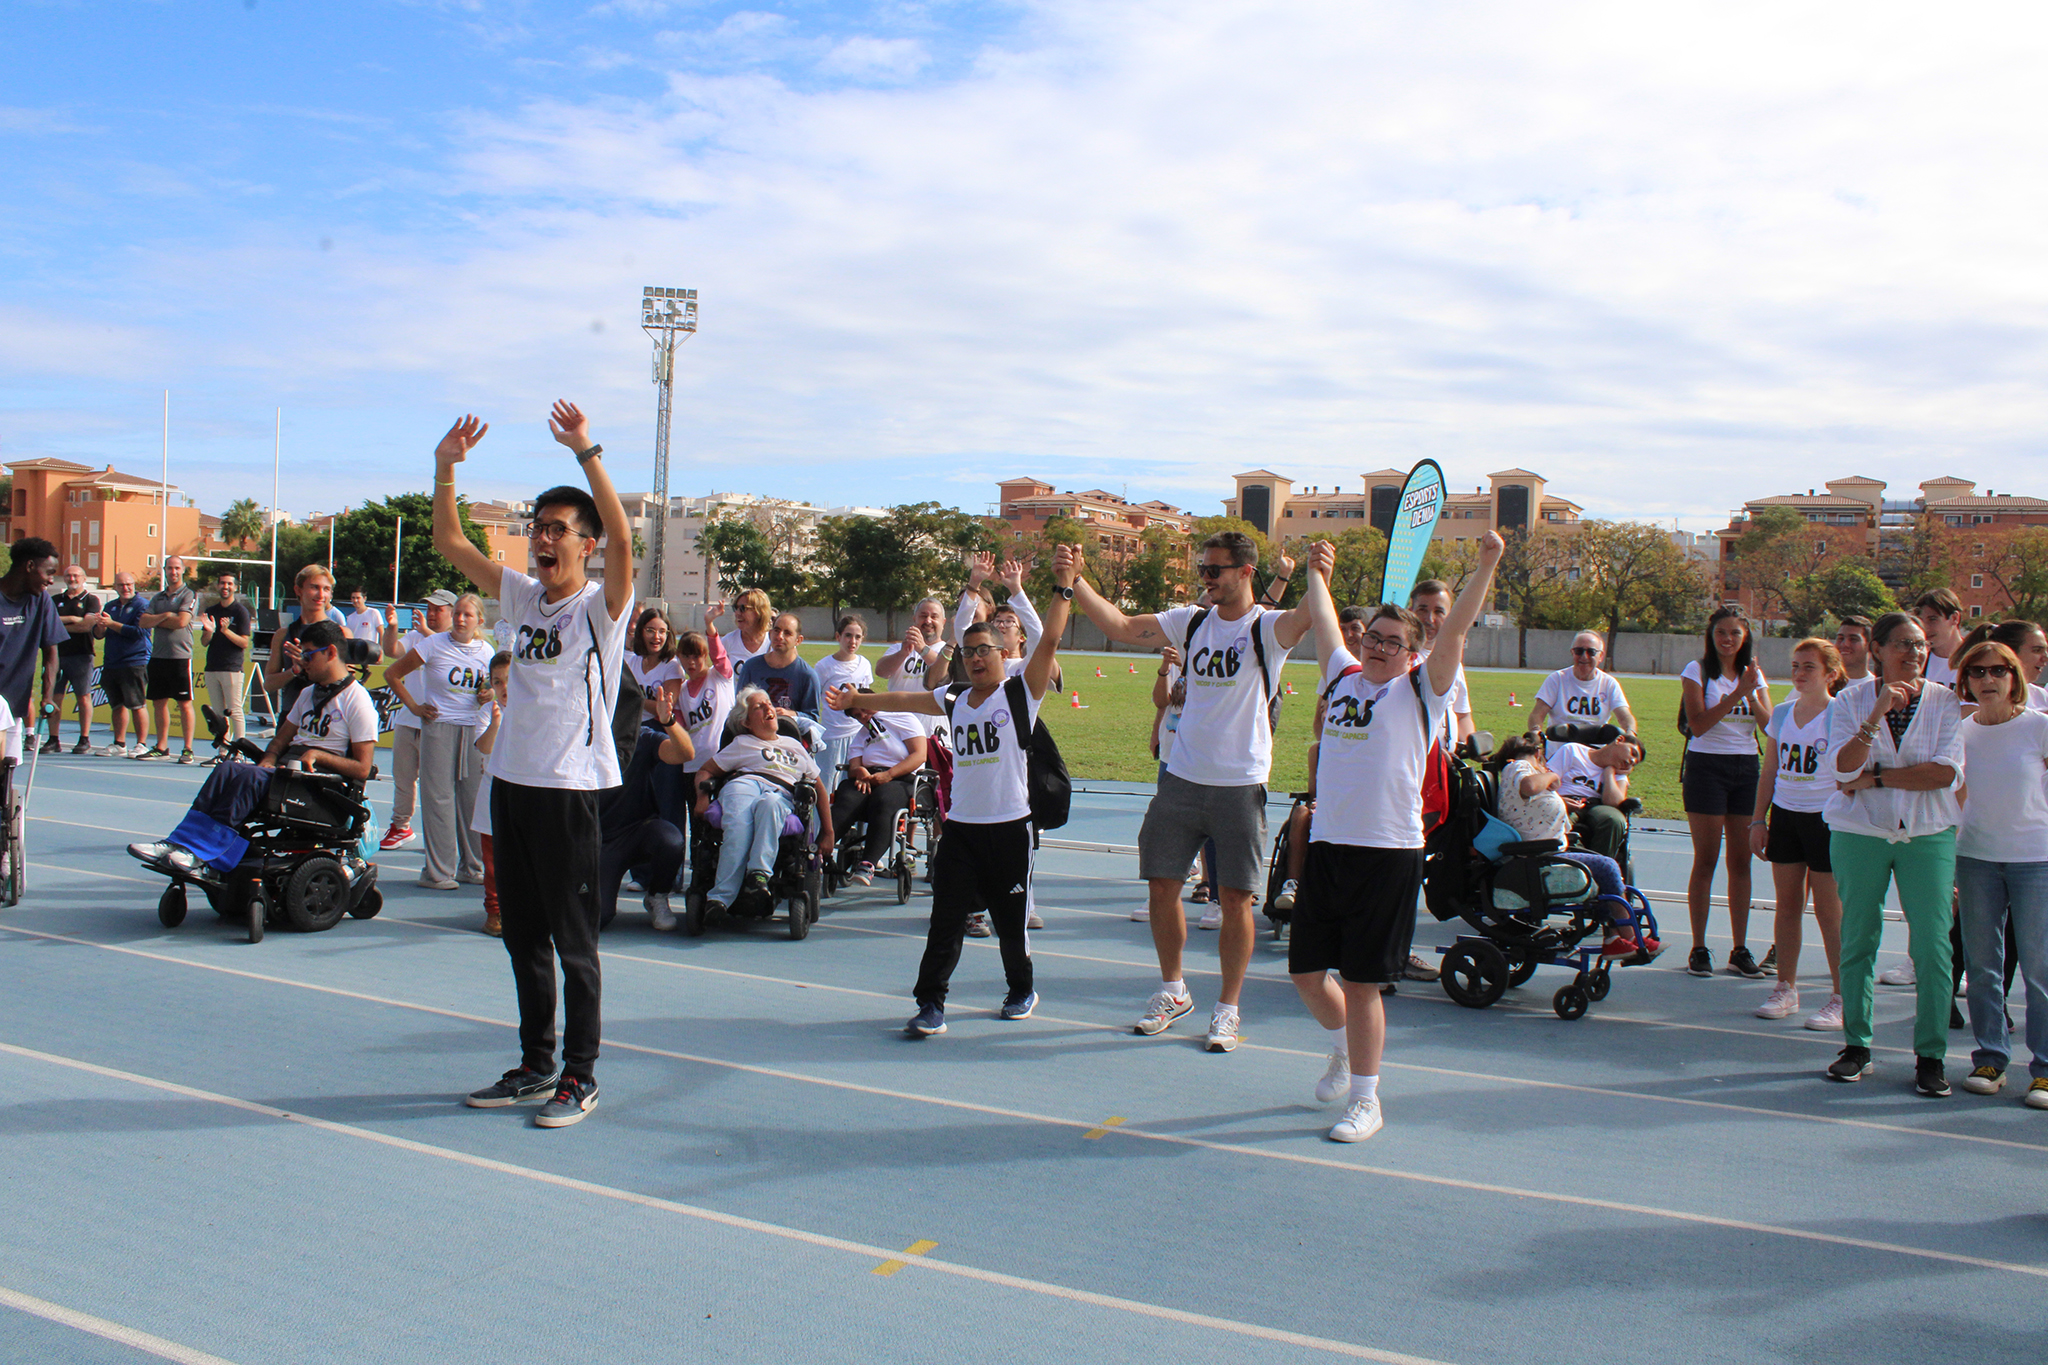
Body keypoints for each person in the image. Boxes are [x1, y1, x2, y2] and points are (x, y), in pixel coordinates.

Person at [437, 402, 635, 1131]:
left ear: (582, 546)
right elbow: (449, 540)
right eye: (536, 528)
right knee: (522, 936)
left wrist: (586, 450)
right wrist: (446, 467)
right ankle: (534, 1063)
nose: (541, 539)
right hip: (510, 788)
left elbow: (621, 533)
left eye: (556, 530)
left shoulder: (600, 606)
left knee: (572, 941)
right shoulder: (521, 596)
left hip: (567, 789)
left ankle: (579, 1075)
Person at [1069, 529, 1314, 1053]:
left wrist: (1320, 574)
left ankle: (1227, 1007)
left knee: (1234, 900)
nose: (1205, 578)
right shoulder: (1191, 620)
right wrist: (1077, 583)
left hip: (1239, 781)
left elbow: (1306, 617)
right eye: (1203, 569)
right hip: (1181, 778)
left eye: (1215, 570)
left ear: (1245, 572)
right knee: (1162, 885)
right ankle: (1173, 988)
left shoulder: (1266, 629)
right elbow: (1121, 625)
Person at [1290, 533, 1501, 1142]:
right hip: (1330, 846)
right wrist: (1316, 574)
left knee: (1360, 983)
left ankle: (1366, 1100)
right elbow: (1326, 622)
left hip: (1389, 854)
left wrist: (1485, 564)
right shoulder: (1342, 678)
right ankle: (1342, 1051)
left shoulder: (1419, 693)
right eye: (1373, 638)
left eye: (1393, 642)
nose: (1378, 647)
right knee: (1306, 972)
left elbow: (1454, 634)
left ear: (1413, 653)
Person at [827, 545, 1074, 1035]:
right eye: (970, 651)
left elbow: (1049, 641)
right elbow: (906, 695)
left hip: (1009, 828)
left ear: (1005, 655)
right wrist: (861, 699)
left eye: (987, 650)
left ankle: (1021, 988)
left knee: (1009, 922)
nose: (978, 658)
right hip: (961, 829)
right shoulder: (955, 697)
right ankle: (930, 1003)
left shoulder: (1021, 693)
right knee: (945, 920)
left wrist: (1061, 586)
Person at [1823, 611, 1963, 1095]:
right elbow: (1842, 772)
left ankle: (1931, 1055)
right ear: (1878, 650)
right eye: (1903, 644)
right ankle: (1857, 1045)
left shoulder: (1945, 702)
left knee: (1933, 945)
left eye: (1921, 645)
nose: (1914, 653)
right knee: (1859, 938)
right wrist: (1875, 714)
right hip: (1860, 832)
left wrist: (1876, 778)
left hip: (1927, 834)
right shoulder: (1850, 700)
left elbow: (1943, 773)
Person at [127, 619, 377, 879]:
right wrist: (269, 757)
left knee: (249, 777)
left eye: (308, 655)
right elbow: (281, 740)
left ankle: (202, 853)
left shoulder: (356, 700)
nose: (302, 661)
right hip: (287, 773)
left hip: (318, 785)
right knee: (227, 770)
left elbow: (363, 768)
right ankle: (179, 842)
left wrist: (317, 754)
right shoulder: (307, 693)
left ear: (331, 653)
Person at [1950, 639, 2048, 1108]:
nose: (1988, 680)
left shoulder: (2040, 729)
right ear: (1965, 680)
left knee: (2039, 967)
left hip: (2035, 859)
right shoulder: (1960, 733)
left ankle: (2045, 1068)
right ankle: (1990, 1056)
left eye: (1998, 671)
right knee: (1983, 966)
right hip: (1976, 860)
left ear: (2014, 678)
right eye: (1978, 671)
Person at [1749, 638, 1847, 1028]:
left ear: (1831, 673)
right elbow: (1769, 770)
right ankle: (1785, 986)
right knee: (1787, 905)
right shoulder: (1784, 713)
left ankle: (1841, 995)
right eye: (1795, 666)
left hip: (1824, 820)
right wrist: (1759, 820)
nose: (1800, 673)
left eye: (1809, 666)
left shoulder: (1840, 714)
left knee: (1829, 911)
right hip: (1787, 818)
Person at [1491, 734, 1650, 956]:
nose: (1542, 764)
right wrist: (1553, 776)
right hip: (1539, 852)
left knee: (1606, 863)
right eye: (1540, 760)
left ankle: (1618, 937)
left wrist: (1608, 772)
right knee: (1607, 867)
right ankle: (1626, 938)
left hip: (1550, 845)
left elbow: (1533, 791)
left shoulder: (1522, 771)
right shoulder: (1519, 767)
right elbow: (1529, 786)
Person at [1680, 606, 1773, 979]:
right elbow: (1698, 725)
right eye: (1721, 632)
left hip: (1745, 769)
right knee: (1706, 859)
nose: (1728, 639)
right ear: (1711, 634)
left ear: (1745, 637)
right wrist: (1737, 693)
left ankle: (1740, 948)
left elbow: (1769, 727)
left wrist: (1752, 694)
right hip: (1707, 768)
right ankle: (1699, 947)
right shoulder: (1697, 670)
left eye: (1735, 633)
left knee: (1741, 861)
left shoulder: (1754, 675)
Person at [386, 592, 496, 890]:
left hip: (473, 731)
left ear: (479, 621)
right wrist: (415, 707)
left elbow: (492, 686)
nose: (460, 619)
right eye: (457, 613)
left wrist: (489, 693)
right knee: (439, 799)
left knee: (472, 799)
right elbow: (392, 674)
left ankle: (472, 867)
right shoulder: (433, 644)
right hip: (439, 727)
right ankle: (438, 871)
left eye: (467, 615)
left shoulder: (486, 651)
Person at [693, 686, 833, 917]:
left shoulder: (795, 746)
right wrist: (702, 797)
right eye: (759, 706)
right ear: (747, 722)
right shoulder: (741, 743)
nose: (769, 707)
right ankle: (719, 899)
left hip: (781, 791)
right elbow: (706, 770)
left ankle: (758, 875)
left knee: (770, 804)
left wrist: (827, 831)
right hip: (745, 783)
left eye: (769, 702)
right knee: (738, 824)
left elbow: (819, 787)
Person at [600, 681, 694, 930]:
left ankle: (657, 896)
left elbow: (685, 754)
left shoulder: (643, 737)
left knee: (671, 841)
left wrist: (669, 721)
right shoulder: (582, 740)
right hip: (597, 841)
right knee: (599, 917)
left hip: (637, 832)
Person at [375, 588, 456, 851]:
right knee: (403, 777)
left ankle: (442, 834)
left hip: (440, 722)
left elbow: (450, 655)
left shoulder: (456, 640)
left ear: (452, 613)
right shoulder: (415, 636)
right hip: (408, 719)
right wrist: (392, 627)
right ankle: (401, 826)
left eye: (438, 609)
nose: (431, 614)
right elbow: (391, 650)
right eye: (429, 609)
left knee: (439, 785)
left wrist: (426, 633)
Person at [830, 690, 929, 886]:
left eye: (865, 710)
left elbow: (919, 755)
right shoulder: (862, 734)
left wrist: (889, 775)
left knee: (884, 799)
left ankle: (868, 863)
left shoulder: (903, 718)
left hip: (901, 778)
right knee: (847, 797)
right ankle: (818, 849)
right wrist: (860, 772)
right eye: (857, 716)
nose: (863, 717)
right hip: (869, 778)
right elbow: (854, 764)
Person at [0, 539, 64, 748]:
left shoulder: (41, 601)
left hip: (14, 705)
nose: (51, 580)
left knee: (6, 770)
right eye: (49, 572)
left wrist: (48, 696)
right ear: (29, 567)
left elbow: (51, 651)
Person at [137, 555, 199, 763]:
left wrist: (160, 618)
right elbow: (144, 622)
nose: (173, 572)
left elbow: (182, 621)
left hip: (180, 657)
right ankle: (161, 746)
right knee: (159, 703)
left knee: (184, 704)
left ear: (182, 570)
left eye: (176, 568)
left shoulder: (189, 594)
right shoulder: (158, 598)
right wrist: (165, 616)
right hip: (158, 657)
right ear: (164, 570)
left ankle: (187, 749)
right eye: (169, 568)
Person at [1547, 731, 1642, 861]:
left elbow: (1614, 803)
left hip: (1596, 805)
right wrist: (1559, 800)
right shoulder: (1572, 750)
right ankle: (1574, 861)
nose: (1631, 761)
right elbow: (1547, 781)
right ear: (1619, 740)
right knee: (1558, 814)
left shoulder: (1619, 774)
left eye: (1634, 763)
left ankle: (1600, 865)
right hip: (1564, 798)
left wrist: (1609, 772)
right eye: (1633, 753)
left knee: (1614, 819)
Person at [1406, 578, 1475, 746]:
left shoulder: (1453, 663)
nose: (1429, 618)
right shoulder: (1401, 657)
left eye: (1438, 611)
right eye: (1422, 609)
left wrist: (1474, 746)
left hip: (1446, 766)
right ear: (1410, 612)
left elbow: (1462, 714)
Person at [265, 564, 340, 718]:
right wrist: (294, 671)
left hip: (326, 719)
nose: (320, 595)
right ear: (298, 590)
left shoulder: (340, 634)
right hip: (290, 715)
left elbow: (345, 682)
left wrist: (311, 665)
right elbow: (269, 684)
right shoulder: (283, 635)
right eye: (314, 587)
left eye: (326, 589)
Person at [1528, 632, 1635, 736]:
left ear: (1601, 656)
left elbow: (1624, 716)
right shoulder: (1557, 679)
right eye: (1579, 651)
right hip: (1561, 750)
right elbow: (1537, 713)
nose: (1584, 656)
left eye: (1591, 652)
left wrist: (1630, 733)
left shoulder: (1609, 683)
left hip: (1595, 751)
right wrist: (1535, 732)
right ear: (1572, 653)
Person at [42, 564, 100, 754]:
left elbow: (86, 626)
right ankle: (53, 738)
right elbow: (46, 625)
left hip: (81, 655)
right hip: (56, 656)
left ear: (83, 578)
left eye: (76, 575)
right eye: (68, 575)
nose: (72, 579)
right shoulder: (54, 599)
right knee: (53, 697)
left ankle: (84, 739)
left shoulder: (91, 600)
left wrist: (62, 624)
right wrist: (74, 619)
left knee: (83, 697)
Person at [92, 571, 151, 756]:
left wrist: (111, 624)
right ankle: (119, 743)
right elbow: (99, 635)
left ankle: (141, 743)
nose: (125, 588)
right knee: (117, 705)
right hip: (112, 662)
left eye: (128, 584)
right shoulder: (110, 606)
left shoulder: (143, 605)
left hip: (134, 661)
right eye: (121, 585)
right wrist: (101, 626)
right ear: (115, 587)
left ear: (134, 585)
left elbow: (140, 632)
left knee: (137, 704)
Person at [473, 651, 510, 937]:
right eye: (497, 682)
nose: (504, 687)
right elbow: (484, 748)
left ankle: (524, 908)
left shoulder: (536, 710)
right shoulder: (487, 712)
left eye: (509, 680)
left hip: (527, 795)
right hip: (493, 793)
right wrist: (496, 724)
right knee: (493, 861)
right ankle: (494, 912)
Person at [814, 614, 875, 785]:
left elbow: (867, 699)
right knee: (828, 783)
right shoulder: (824, 666)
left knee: (856, 781)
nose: (852, 641)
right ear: (838, 636)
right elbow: (815, 698)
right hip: (832, 734)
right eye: (848, 635)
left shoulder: (864, 664)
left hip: (859, 734)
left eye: (857, 637)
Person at [876, 596, 951, 731]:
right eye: (923, 616)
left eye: (934, 616)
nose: (928, 621)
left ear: (943, 622)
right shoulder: (898, 648)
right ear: (914, 619)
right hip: (898, 729)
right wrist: (902, 653)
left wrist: (923, 649)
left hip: (933, 731)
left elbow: (947, 674)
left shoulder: (948, 651)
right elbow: (881, 671)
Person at [198, 574, 254, 750]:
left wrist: (225, 631)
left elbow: (244, 642)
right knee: (219, 713)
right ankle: (224, 750)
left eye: (229, 584)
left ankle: (239, 750)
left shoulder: (240, 612)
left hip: (232, 668)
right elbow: (204, 642)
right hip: (212, 667)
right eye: (222, 583)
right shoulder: (211, 611)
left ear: (235, 588)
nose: (225, 586)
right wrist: (209, 630)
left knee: (235, 711)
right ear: (218, 586)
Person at [734, 612, 822, 719]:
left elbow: (812, 717)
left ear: (798, 640)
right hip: (755, 734)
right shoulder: (751, 667)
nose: (780, 636)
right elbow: (739, 710)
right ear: (770, 633)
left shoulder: (807, 675)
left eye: (787, 633)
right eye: (776, 630)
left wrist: (792, 714)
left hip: (789, 733)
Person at [625, 607, 682, 728]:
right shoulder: (633, 661)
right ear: (640, 632)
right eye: (650, 630)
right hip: (630, 723)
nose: (656, 636)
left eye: (662, 631)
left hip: (657, 728)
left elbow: (665, 709)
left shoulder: (672, 667)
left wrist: (634, 698)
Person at [1912, 589, 1967, 688]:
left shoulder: (1978, 658)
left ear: (1955, 618)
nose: (1925, 628)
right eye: (1921, 621)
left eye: (1933, 619)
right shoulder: (1916, 660)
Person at [721, 589, 773, 670]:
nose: (737, 613)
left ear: (759, 611)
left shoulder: (774, 641)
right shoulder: (728, 641)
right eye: (736, 608)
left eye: (743, 608)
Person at [1834, 615, 1874, 684]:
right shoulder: (1822, 685)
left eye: (1853, 639)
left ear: (1869, 646)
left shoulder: (1876, 688)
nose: (1844, 644)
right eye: (1841, 638)